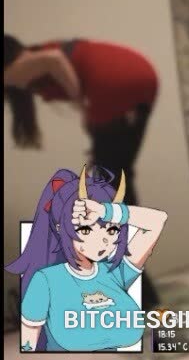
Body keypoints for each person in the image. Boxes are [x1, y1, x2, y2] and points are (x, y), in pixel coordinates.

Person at [4, 34, 162, 308]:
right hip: (142, 76)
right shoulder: (35, 58)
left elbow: (53, 60)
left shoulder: (16, 67)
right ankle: (142, 289)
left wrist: (83, 105)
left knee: (110, 197)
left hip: (113, 81)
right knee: (116, 183)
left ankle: (142, 295)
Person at [5, 166, 168, 352]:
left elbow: (158, 220)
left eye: (112, 230)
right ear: (60, 228)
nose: (103, 241)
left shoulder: (115, 273)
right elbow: (29, 344)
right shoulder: (46, 281)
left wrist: (105, 211)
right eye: (86, 230)